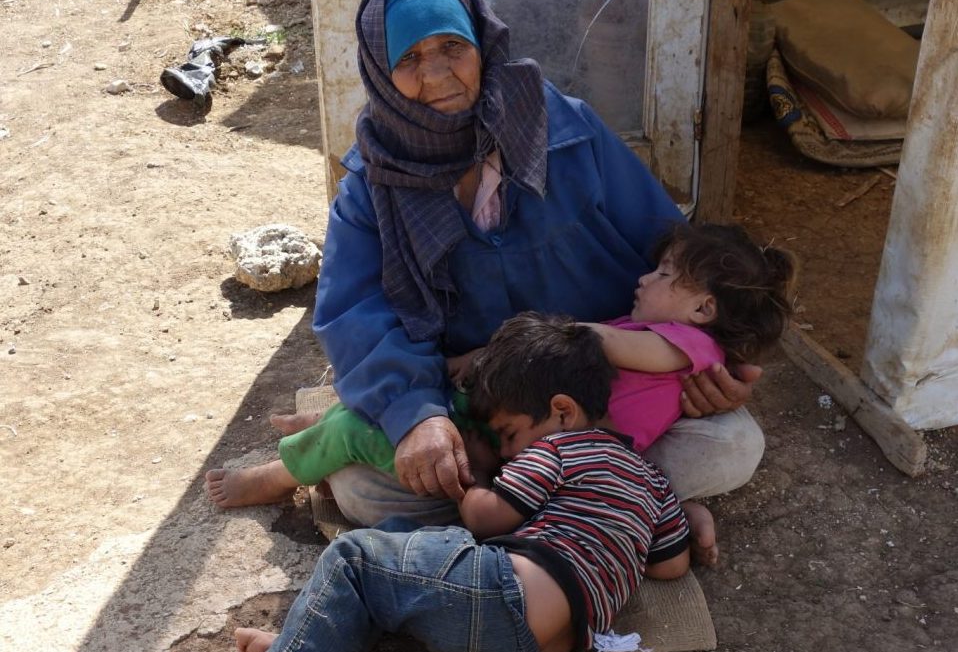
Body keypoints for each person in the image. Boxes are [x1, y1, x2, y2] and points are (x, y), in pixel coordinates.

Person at [210, 0, 763, 528]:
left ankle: (523, 503)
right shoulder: (372, 184)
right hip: (471, 399)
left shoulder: (568, 132)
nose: (438, 75)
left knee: (731, 446)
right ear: (378, 70)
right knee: (368, 494)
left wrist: (711, 364)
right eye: (409, 59)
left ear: (483, 43)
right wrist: (417, 416)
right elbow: (356, 315)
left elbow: (674, 256)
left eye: (453, 47)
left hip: (603, 394)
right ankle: (609, 506)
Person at [186, 314, 701, 652]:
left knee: (357, 558)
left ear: (561, 412)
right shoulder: (650, 477)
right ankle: (302, 645)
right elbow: (671, 564)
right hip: (540, 648)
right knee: (396, 570)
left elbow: (484, 516)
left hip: (503, 596)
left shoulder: (556, 448)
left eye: (507, 433)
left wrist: (474, 476)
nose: (505, 451)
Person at [206, 223, 795, 570]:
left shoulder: (683, 343)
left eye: (665, 274)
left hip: (544, 450)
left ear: (703, 309)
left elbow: (597, 343)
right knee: (415, 414)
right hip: (542, 439)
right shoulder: (656, 334)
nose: (644, 278)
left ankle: (286, 471)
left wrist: (527, 340)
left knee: (370, 441)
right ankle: (343, 420)